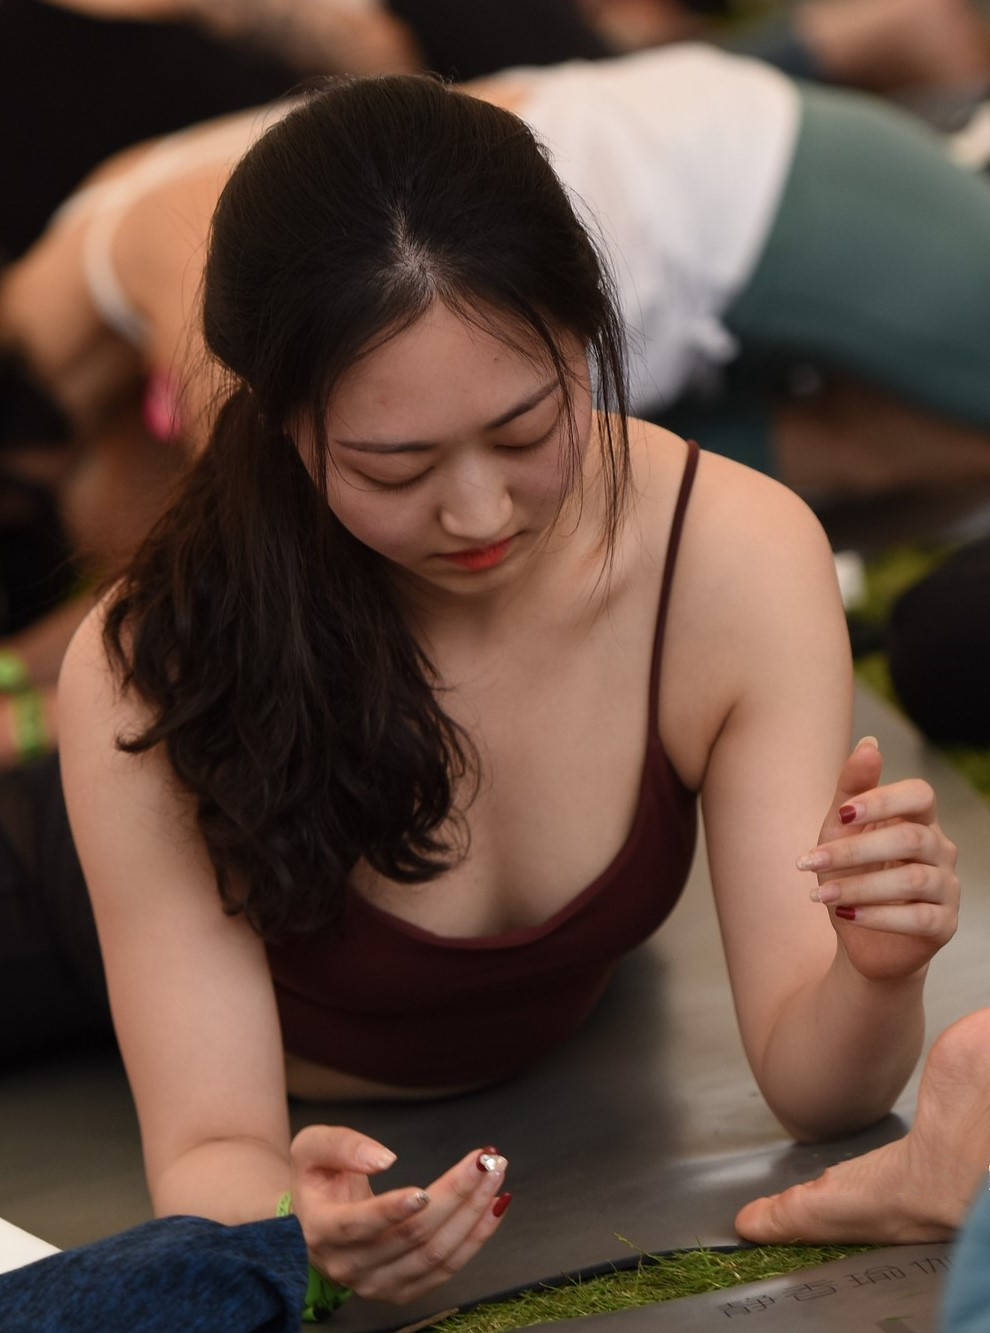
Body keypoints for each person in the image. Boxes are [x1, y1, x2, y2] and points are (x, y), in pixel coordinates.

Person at [41, 73, 967, 1313]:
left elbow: (821, 1089)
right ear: (281, 420)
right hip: (55, 904)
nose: (478, 514)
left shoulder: (731, 560)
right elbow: (213, 1147)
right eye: (395, 468)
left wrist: (879, 968)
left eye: (528, 431)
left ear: (589, 337)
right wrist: (289, 1225)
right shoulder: (151, 664)